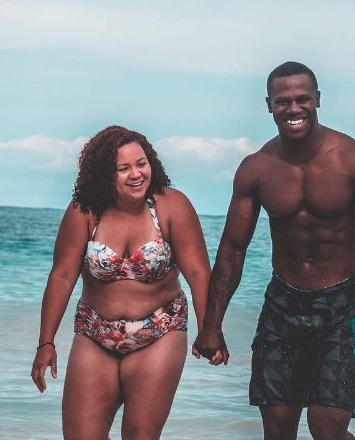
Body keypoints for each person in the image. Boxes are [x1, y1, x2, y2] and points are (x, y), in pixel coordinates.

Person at [193, 62, 355, 440]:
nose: (293, 108)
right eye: (283, 101)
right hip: (282, 303)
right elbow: (233, 250)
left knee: (327, 428)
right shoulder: (256, 169)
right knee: (277, 428)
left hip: (341, 304)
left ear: (317, 99)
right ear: (269, 105)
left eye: (302, 99)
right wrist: (212, 324)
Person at [31, 126, 211, 440]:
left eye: (141, 163)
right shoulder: (85, 211)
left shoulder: (171, 205)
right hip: (95, 332)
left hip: (159, 330)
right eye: (123, 168)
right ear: (104, 174)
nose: (136, 174)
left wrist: (209, 329)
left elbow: (199, 274)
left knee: (139, 435)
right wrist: (46, 343)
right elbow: (61, 276)